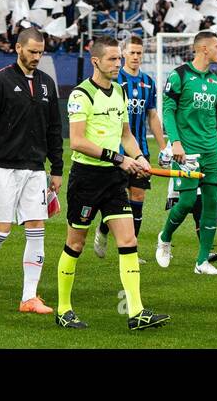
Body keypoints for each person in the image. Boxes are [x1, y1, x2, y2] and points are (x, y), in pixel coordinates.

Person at [56, 36, 168, 331]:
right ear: (96, 62)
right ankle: (64, 308)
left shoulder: (119, 90)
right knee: (75, 243)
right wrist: (119, 159)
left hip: (113, 179)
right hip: (86, 179)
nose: (118, 64)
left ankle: (137, 312)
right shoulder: (81, 95)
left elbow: (126, 135)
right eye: (113, 60)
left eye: (119, 59)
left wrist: (141, 157)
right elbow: (78, 142)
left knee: (128, 241)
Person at [0, 26, 62, 315]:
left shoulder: (46, 84)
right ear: (18, 48)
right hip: (2, 168)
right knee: (2, 231)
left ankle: (29, 297)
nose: (36, 57)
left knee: (36, 229)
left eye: (41, 53)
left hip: (35, 169)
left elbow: (55, 129)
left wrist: (56, 168)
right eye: (32, 51)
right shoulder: (0, 81)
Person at [154, 30, 217, 274]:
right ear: (204, 49)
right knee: (188, 201)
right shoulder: (179, 75)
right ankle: (165, 236)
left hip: (212, 151)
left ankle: (202, 262)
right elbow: (168, 111)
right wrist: (175, 142)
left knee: (212, 203)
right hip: (186, 151)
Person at [96, 35, 164, 258]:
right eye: (132, 52)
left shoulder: (148, 82)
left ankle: (131, 249)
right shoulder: (114, 80)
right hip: (115, 150)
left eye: (139, 53)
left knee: (138, 197)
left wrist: (163, 146)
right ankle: (104, 228)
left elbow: (152, 115)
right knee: (115, 197)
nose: (135, 57)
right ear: (123, 53)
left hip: (140, 150)